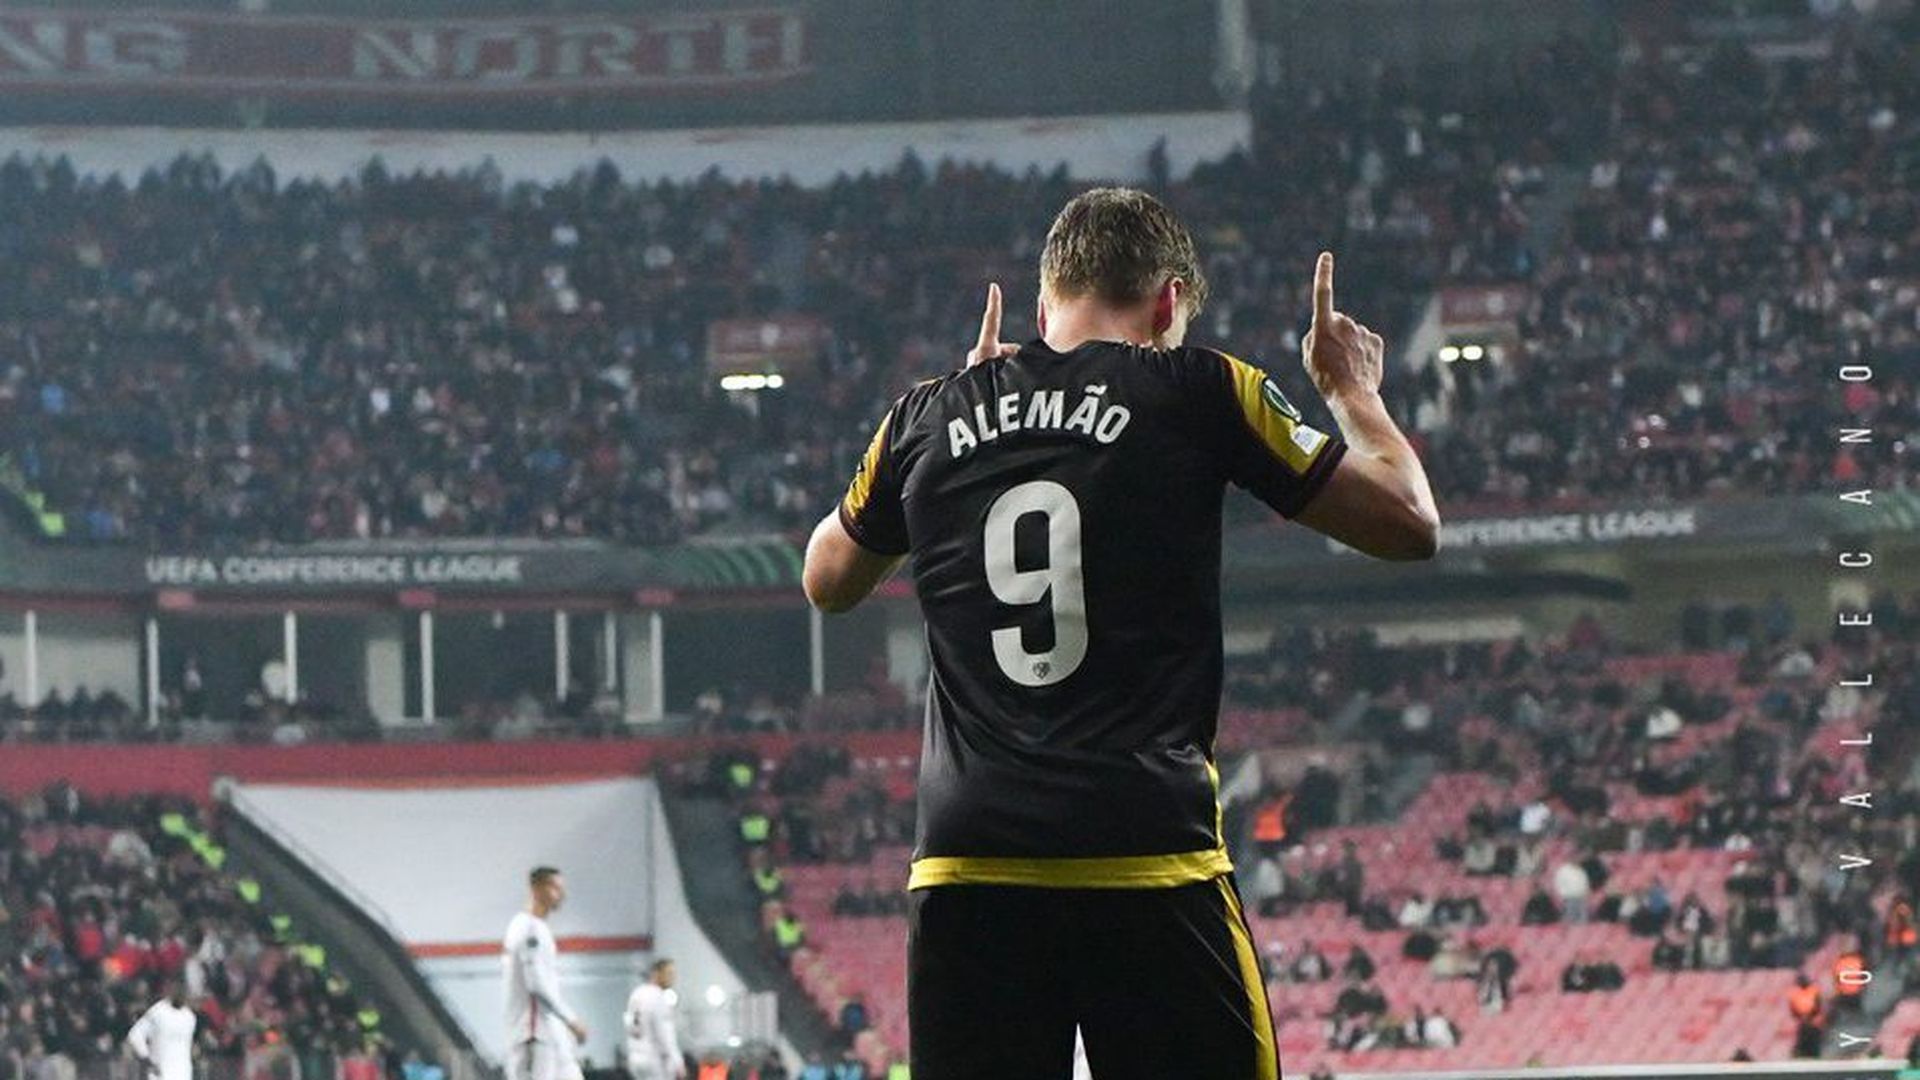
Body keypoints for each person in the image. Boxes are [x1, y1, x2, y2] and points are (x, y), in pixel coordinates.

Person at [803, 188, 1439, 1080]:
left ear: (1041, 309)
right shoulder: (1201, 388)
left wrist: (958, 439)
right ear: (1168, 304)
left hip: (966, 867)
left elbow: (827, 581)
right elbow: (1410, 524)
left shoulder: (926, 417)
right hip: (1145, 852)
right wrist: (1352, 391)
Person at [503, 866, 588, 1080]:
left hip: (550, 1030)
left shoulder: (538, 928)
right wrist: (571, 1019)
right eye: (555, 888)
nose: (562, 895)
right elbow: (536, 984)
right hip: (532, 1032)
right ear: (536, 889)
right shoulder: (528, 929)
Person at [624, 958, 684, 1080]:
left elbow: (629, 1025)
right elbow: (664, 1034)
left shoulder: (637, 993)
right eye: (669, 973)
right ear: (656, 974)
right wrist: (677, 1062)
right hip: (654, 1059)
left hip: (636, 1057)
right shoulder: (658, 996)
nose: (673, 978)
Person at [126, 980, 196, 1080]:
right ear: (170, 991)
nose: (180, 993)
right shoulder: (157, 1011)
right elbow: (135, 1035)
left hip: (184, 1073)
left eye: (183, 991)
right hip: (160, 1074)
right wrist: (147, 1059)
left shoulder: (190, 1017)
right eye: (176, 990)